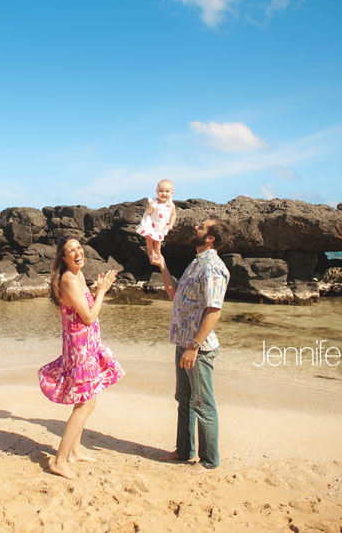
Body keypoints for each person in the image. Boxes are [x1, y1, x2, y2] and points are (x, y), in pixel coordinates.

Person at [38, 237, 125, 479]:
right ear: (64, 258)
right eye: (71, 251)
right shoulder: (68, 279)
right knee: (86, 404)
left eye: (79, 248)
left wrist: (97, 291)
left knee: (84, 401)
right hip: (79, 349)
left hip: (87, 344)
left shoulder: (78, 276)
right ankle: (60, 460)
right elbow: (88, 316)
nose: (77, 253)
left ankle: (74, 451)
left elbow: (86, 312)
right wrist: (102, 291)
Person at [149, 219, 229, 474]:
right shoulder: (196, 263)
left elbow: (214, 311)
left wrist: (194, 346)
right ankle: (184, 451)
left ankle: (209, 461)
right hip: (184, 344)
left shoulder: (213, 267)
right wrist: (162, 266)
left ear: (211, 238)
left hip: (198, 349)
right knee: (184, 399)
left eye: (202, 227)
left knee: (203, 405)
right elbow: (176, 296)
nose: (196, 227)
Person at [136, 179, 177, 262]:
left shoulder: (171, 205)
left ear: (172, 193)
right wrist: (150, 207)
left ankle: (157, 253)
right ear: (156, 192)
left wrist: (171, 224)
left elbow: (173, 215)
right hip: (151, 224)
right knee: (149, 240)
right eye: (161, 191)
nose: (164, 193)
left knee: (158, 242)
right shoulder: (153, 202)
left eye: (167, 191)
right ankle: (151, 253)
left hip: (161, 226)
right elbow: (148, 212)